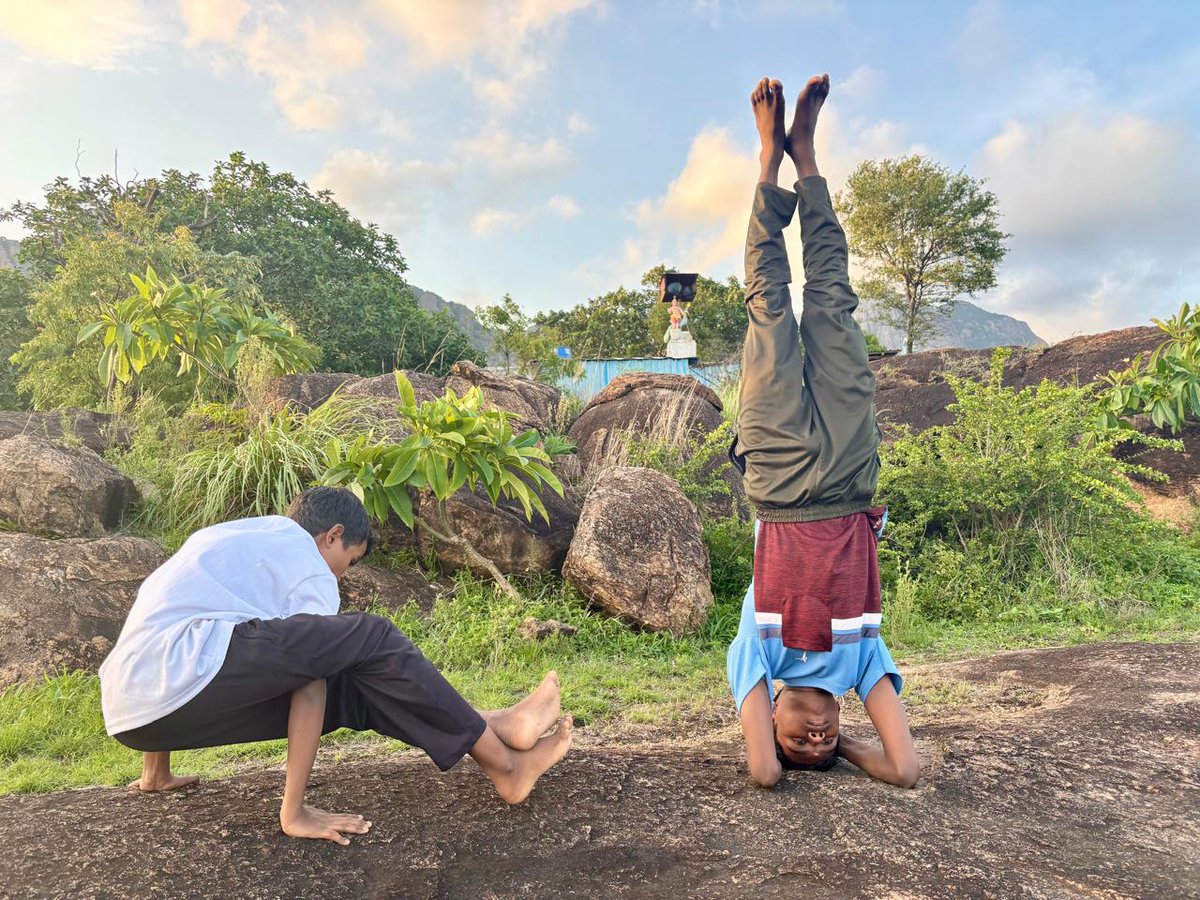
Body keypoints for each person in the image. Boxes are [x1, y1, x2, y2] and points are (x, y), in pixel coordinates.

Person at [99, 486, 572, 845]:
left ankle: (501, 725)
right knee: (372, 635)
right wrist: (295, 812)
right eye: (350, 560)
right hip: (181, 685)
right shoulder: (304, 556)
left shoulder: (238, 539)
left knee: (353, 690)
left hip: (137, 717)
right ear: (333, 536)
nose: (343, 573)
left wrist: (155, 772)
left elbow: (164, 619)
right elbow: (310, 675)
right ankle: (508, 768)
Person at [726, 74, 919, 789]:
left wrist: (781, 764)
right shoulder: (864, 661)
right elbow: (904, 768)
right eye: (823, 745)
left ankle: (768, 161)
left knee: (769, 310)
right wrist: (848, 755)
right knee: (833, 308)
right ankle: (808, 159)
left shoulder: (756, 657)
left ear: (771, 720)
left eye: (798, 743)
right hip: (846, 475)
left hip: (775, 482)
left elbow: (761, 773)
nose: (815, 737)